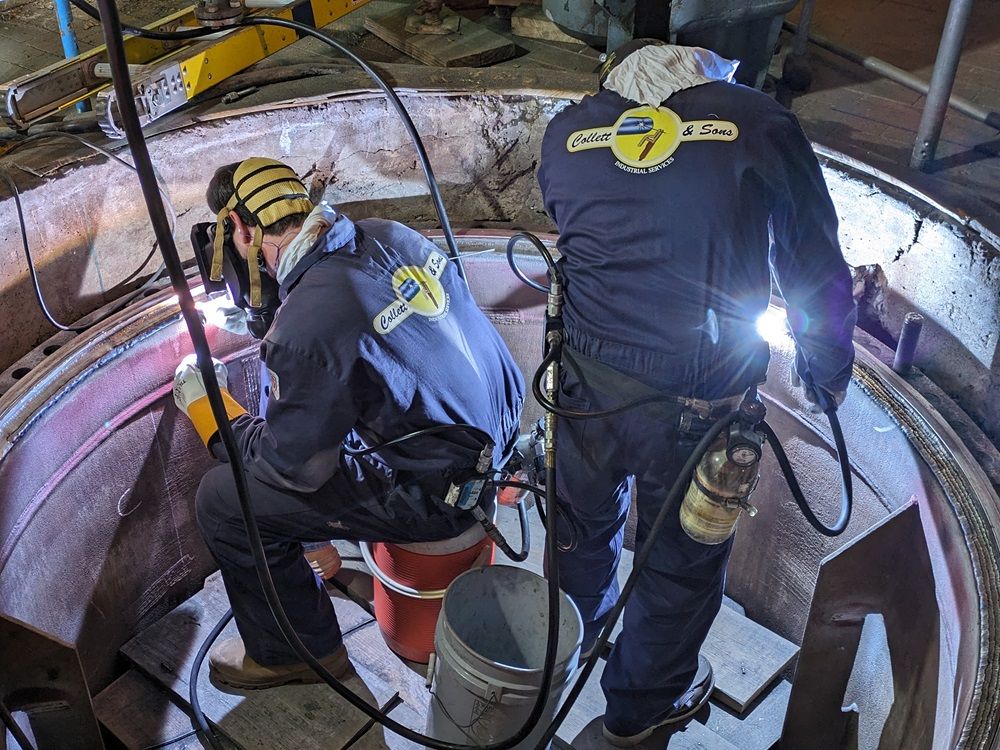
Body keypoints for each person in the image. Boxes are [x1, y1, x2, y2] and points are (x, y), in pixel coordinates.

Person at [536, 40, 856, 745]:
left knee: (580, 523)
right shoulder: (759, 120)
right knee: (677, 567)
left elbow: (577, 223)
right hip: (698, 401)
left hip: (585, 388)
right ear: (708, 79)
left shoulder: (566, 132)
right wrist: (827, 368)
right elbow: (811, 263)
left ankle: (573, 638)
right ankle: (635, 717)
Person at [173, 157, 525, 690]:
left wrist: (211, 409)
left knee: (224, 501)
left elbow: (288, 470)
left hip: (438, 496)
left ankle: (293, 652)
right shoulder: (390, 234)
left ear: (240, 230)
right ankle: (321, 548)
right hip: (496, 445)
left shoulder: (309, 324)